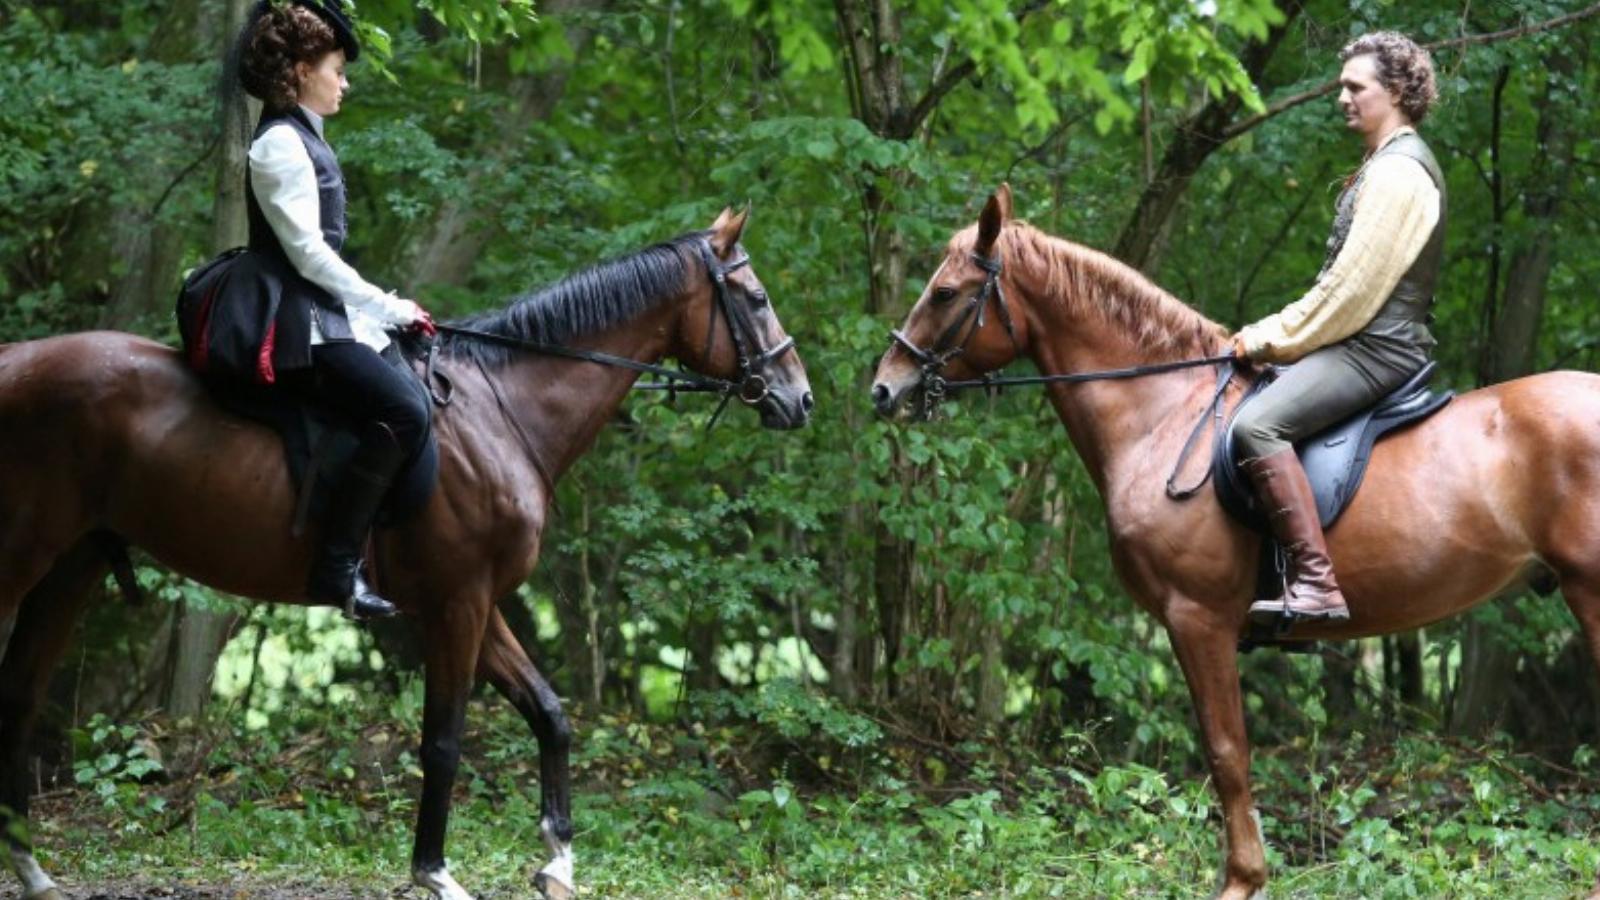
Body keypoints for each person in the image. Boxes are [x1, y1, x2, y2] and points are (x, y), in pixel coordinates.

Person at [1230, 32, 1445, 630]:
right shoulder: (1385, 164)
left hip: (1375, 350)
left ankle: (1317, 585)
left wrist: (1269, 337)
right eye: (1341, 87)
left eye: (1356, 87)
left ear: (1396, 91)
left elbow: (1349, 296)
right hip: (1364, 343)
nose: (1342, 98)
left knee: (1257, 424)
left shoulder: (1400, 173)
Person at [236, 0, 435, 620]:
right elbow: (308, 256)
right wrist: (389, 305)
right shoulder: (278, 147)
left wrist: (388, 314)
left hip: (323, 313)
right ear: (299, 71)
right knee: (405, 410)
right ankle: (337, 570)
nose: (343, 82)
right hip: (295, 324)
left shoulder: (304, 139)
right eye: (336, 69)